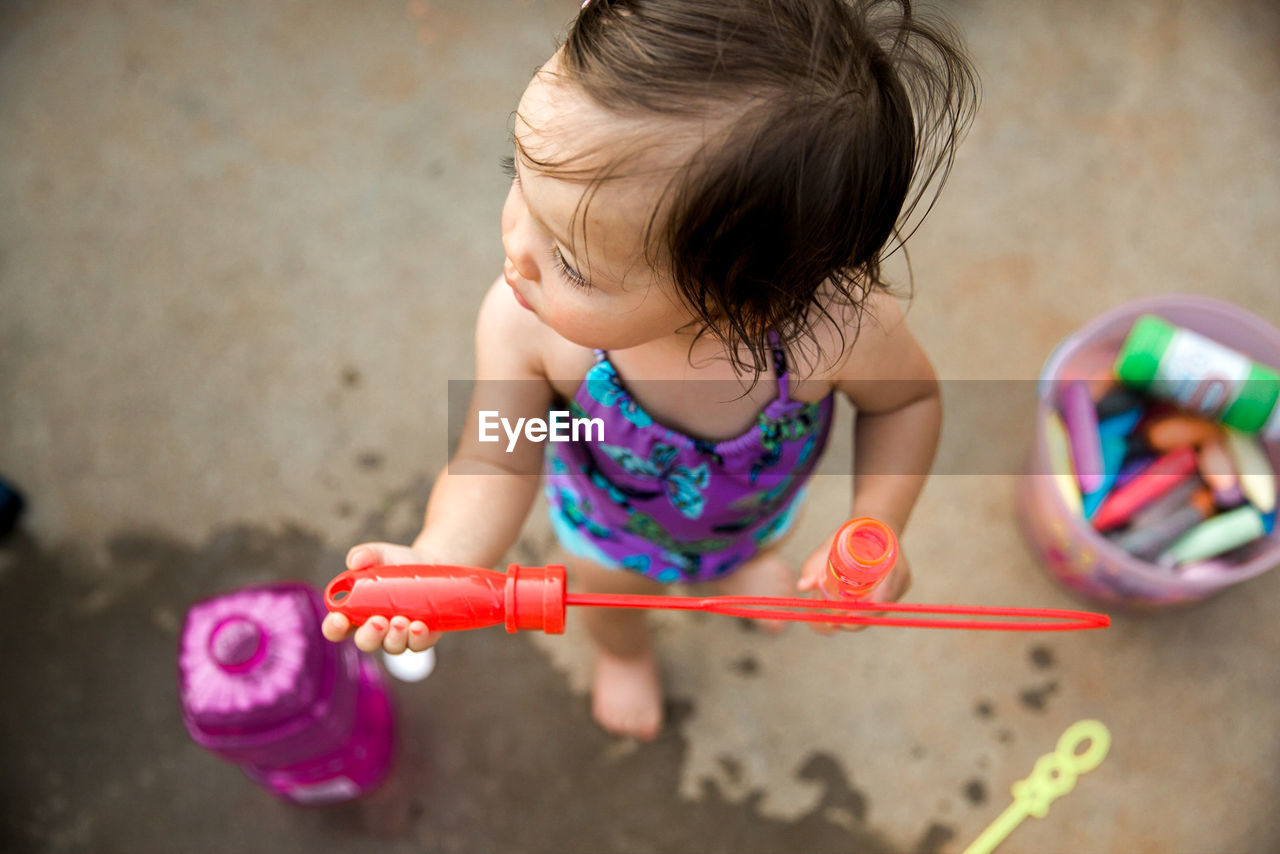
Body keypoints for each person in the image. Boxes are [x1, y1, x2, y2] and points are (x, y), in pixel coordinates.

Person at [323, 0, 977, 740]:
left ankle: (731, 573)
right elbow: (495, 454)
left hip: (754, 517)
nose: (515, 248)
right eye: (519, 174)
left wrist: (875, 524)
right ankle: (624, 653)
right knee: (613, 598)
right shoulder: (530, 329)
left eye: (570, 260)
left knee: (755, 555)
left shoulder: (839, 331)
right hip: (609, 533)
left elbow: (906, 403)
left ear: (750, 301)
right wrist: (442, 557)